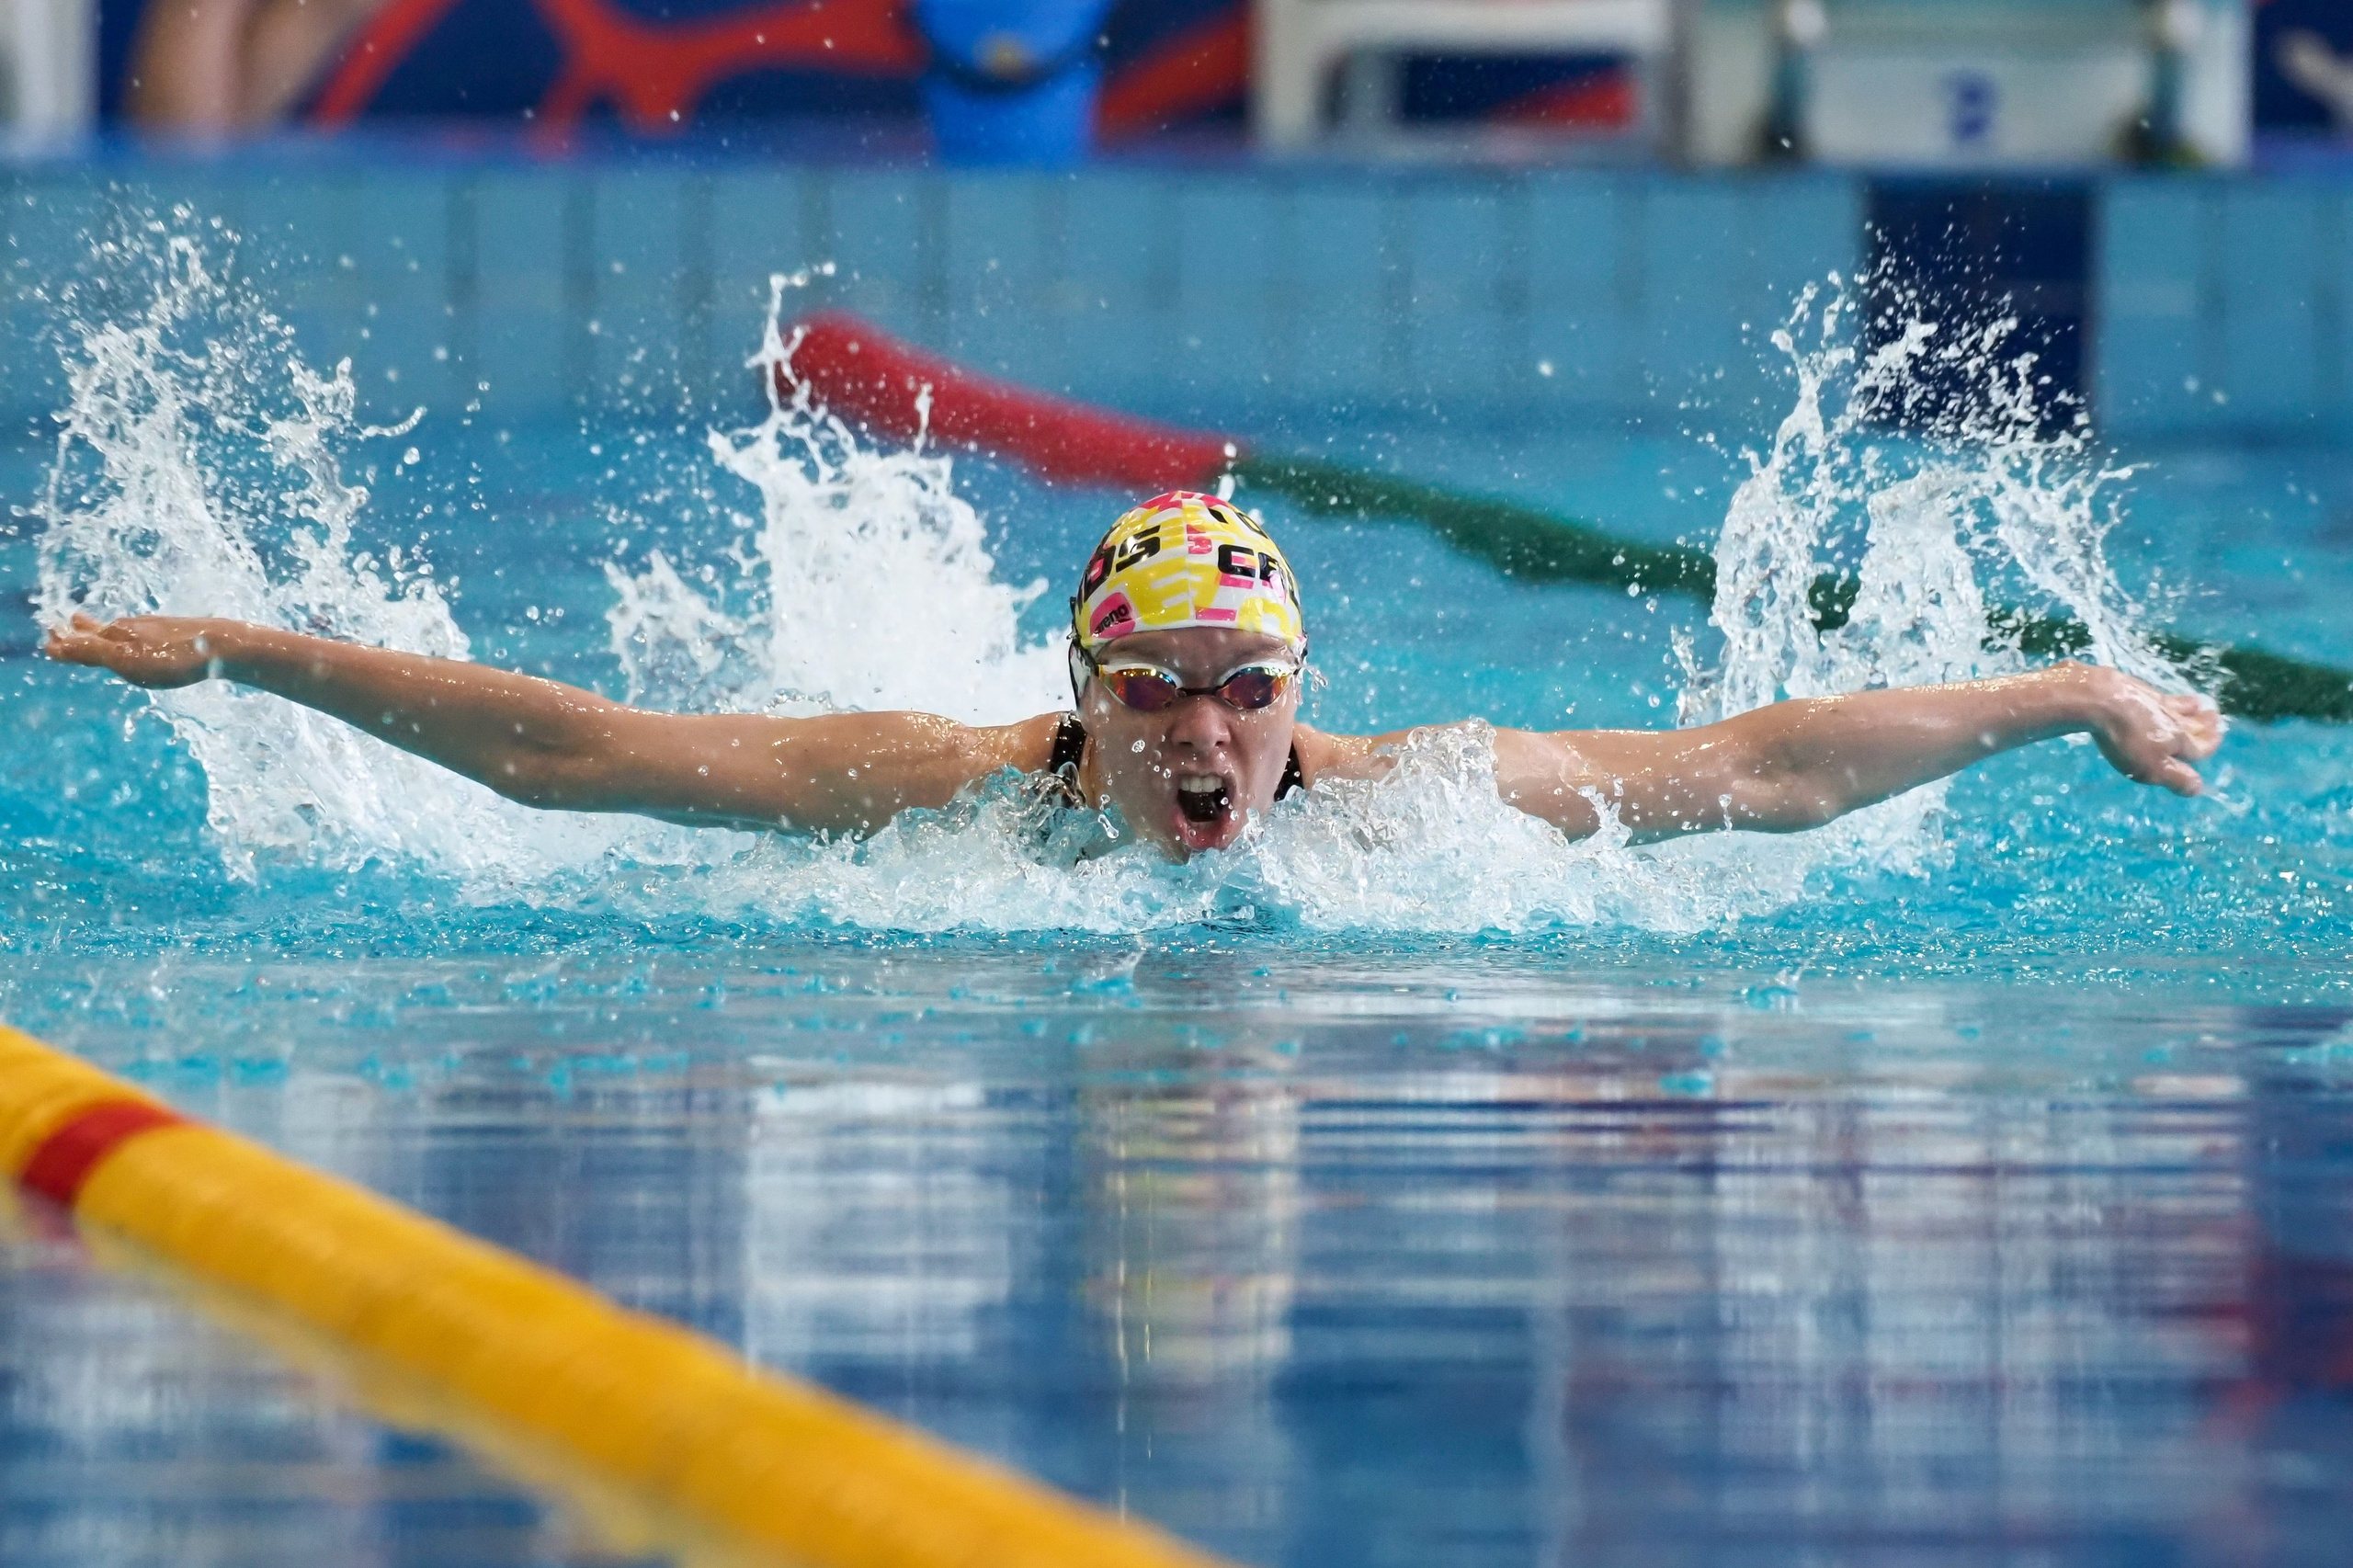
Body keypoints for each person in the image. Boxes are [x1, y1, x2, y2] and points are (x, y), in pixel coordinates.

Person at [44, 490, 2222, 861]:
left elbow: (1754, 771)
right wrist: (242, 650)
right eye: (1155, 687)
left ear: (1298, 686)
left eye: (1239, 687)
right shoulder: (947, 786)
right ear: (1077, 693)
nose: (1201, 731)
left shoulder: (1410, 803)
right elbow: (574, 758)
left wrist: (2066, 693)